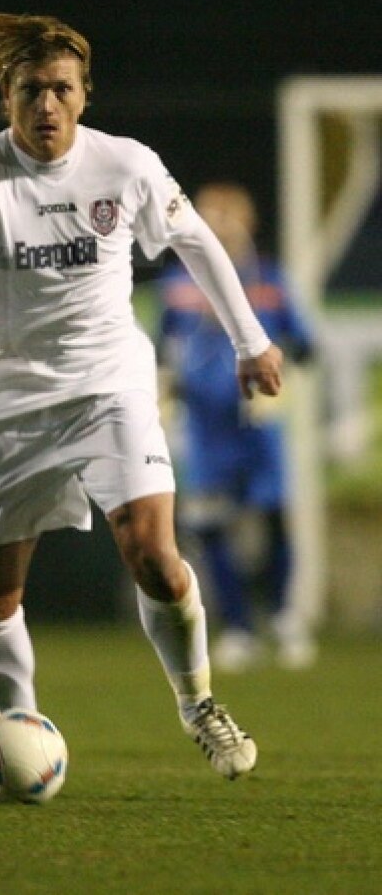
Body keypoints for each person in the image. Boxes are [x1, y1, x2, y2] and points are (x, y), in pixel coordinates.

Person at [0, 12, 283, 782]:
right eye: (31, 90)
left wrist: (251, 342)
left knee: (154, 553)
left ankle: (198, 702)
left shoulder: (126, 166)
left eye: (61, 90)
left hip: (111, 386)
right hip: (11, 402)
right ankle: (18, 733)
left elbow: (197, 241)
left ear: (83, 94)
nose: (47, 106)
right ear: (7, 95)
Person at [157, 181, 317, 671]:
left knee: (273, 516)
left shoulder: (269, 280)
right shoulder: (178, 286)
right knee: (210, 528)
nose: (218, 225)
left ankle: (285, 617)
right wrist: (167, 390)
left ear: (247, 223)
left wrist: (282, 368)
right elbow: (161, 348)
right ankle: (240, 627)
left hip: (258, 426)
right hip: (205, 431)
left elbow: (306, 344)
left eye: (228, 216)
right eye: (209, 215)